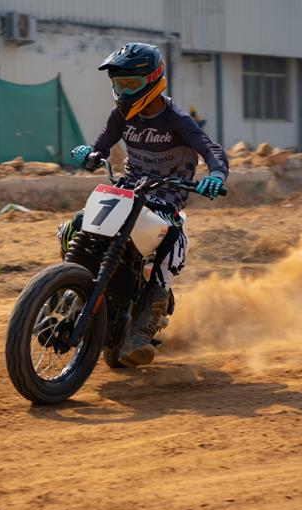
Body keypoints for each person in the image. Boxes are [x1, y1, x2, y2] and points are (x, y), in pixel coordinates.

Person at [60, 42, 228, 366]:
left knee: (172, 242)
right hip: (127, 191)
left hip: (166, 200)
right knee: (76, 225)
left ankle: (144, 324)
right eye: (118, 85)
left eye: (130, 85)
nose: (123, 93)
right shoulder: (122, 113)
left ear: (153, 81)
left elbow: (211, 150)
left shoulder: (177, 119)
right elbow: (104, 141)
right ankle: (68, 286)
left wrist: (217, 175)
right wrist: (93, 155)